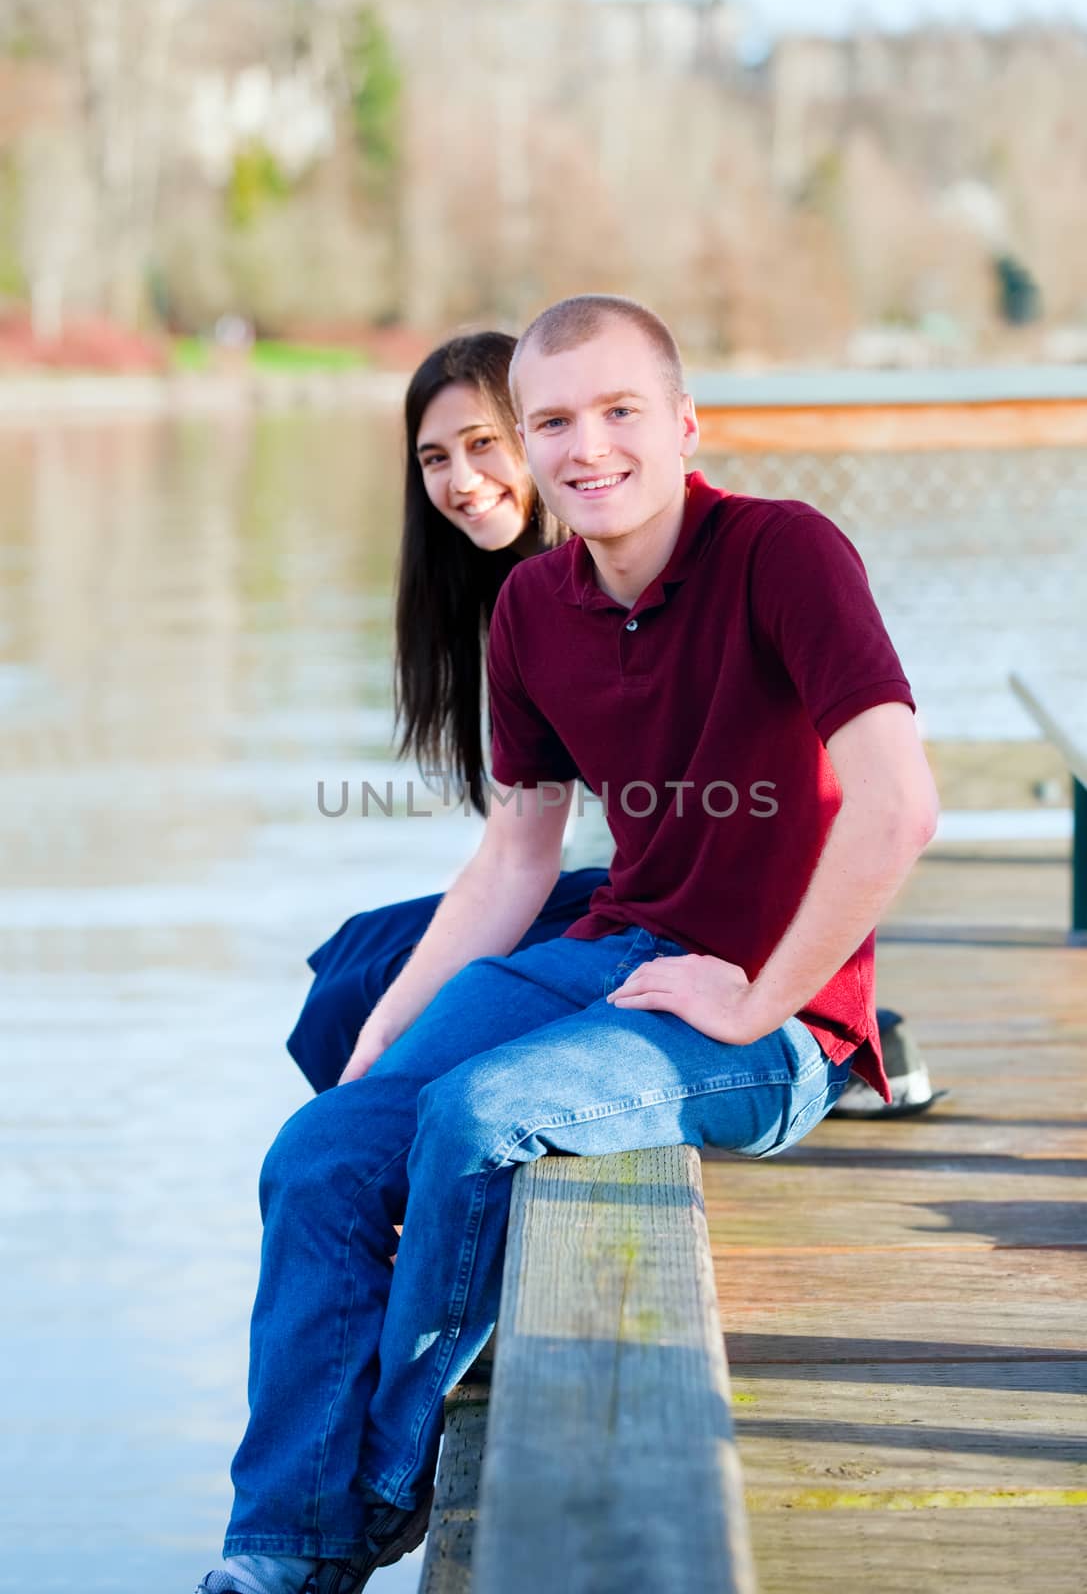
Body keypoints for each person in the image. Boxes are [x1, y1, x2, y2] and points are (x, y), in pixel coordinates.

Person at [197, 295, 940, 1594]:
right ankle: (277, 1555)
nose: (584, 446)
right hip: (612, 945)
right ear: (527, 444)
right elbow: (512, 863)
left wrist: (763, 993)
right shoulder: (528, 609)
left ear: (683, 423)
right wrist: (380, 1037)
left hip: (773, 1020)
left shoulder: (783, 553)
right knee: (318, 1149)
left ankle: (378, 1485)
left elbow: (896, 801)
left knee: (484, 1114)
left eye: (616, 413)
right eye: (551, 421)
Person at [288, 331, 942, 1115]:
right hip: (628, 886)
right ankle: (367, 1152)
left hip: (685, 907)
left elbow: (858, 786)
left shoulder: (648, 541)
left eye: (482, 444)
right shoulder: (519, 597)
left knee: (377, 980)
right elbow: (521, 842)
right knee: (355, 966)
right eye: (434, 458)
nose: (463, 480)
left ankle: (864, 1042)